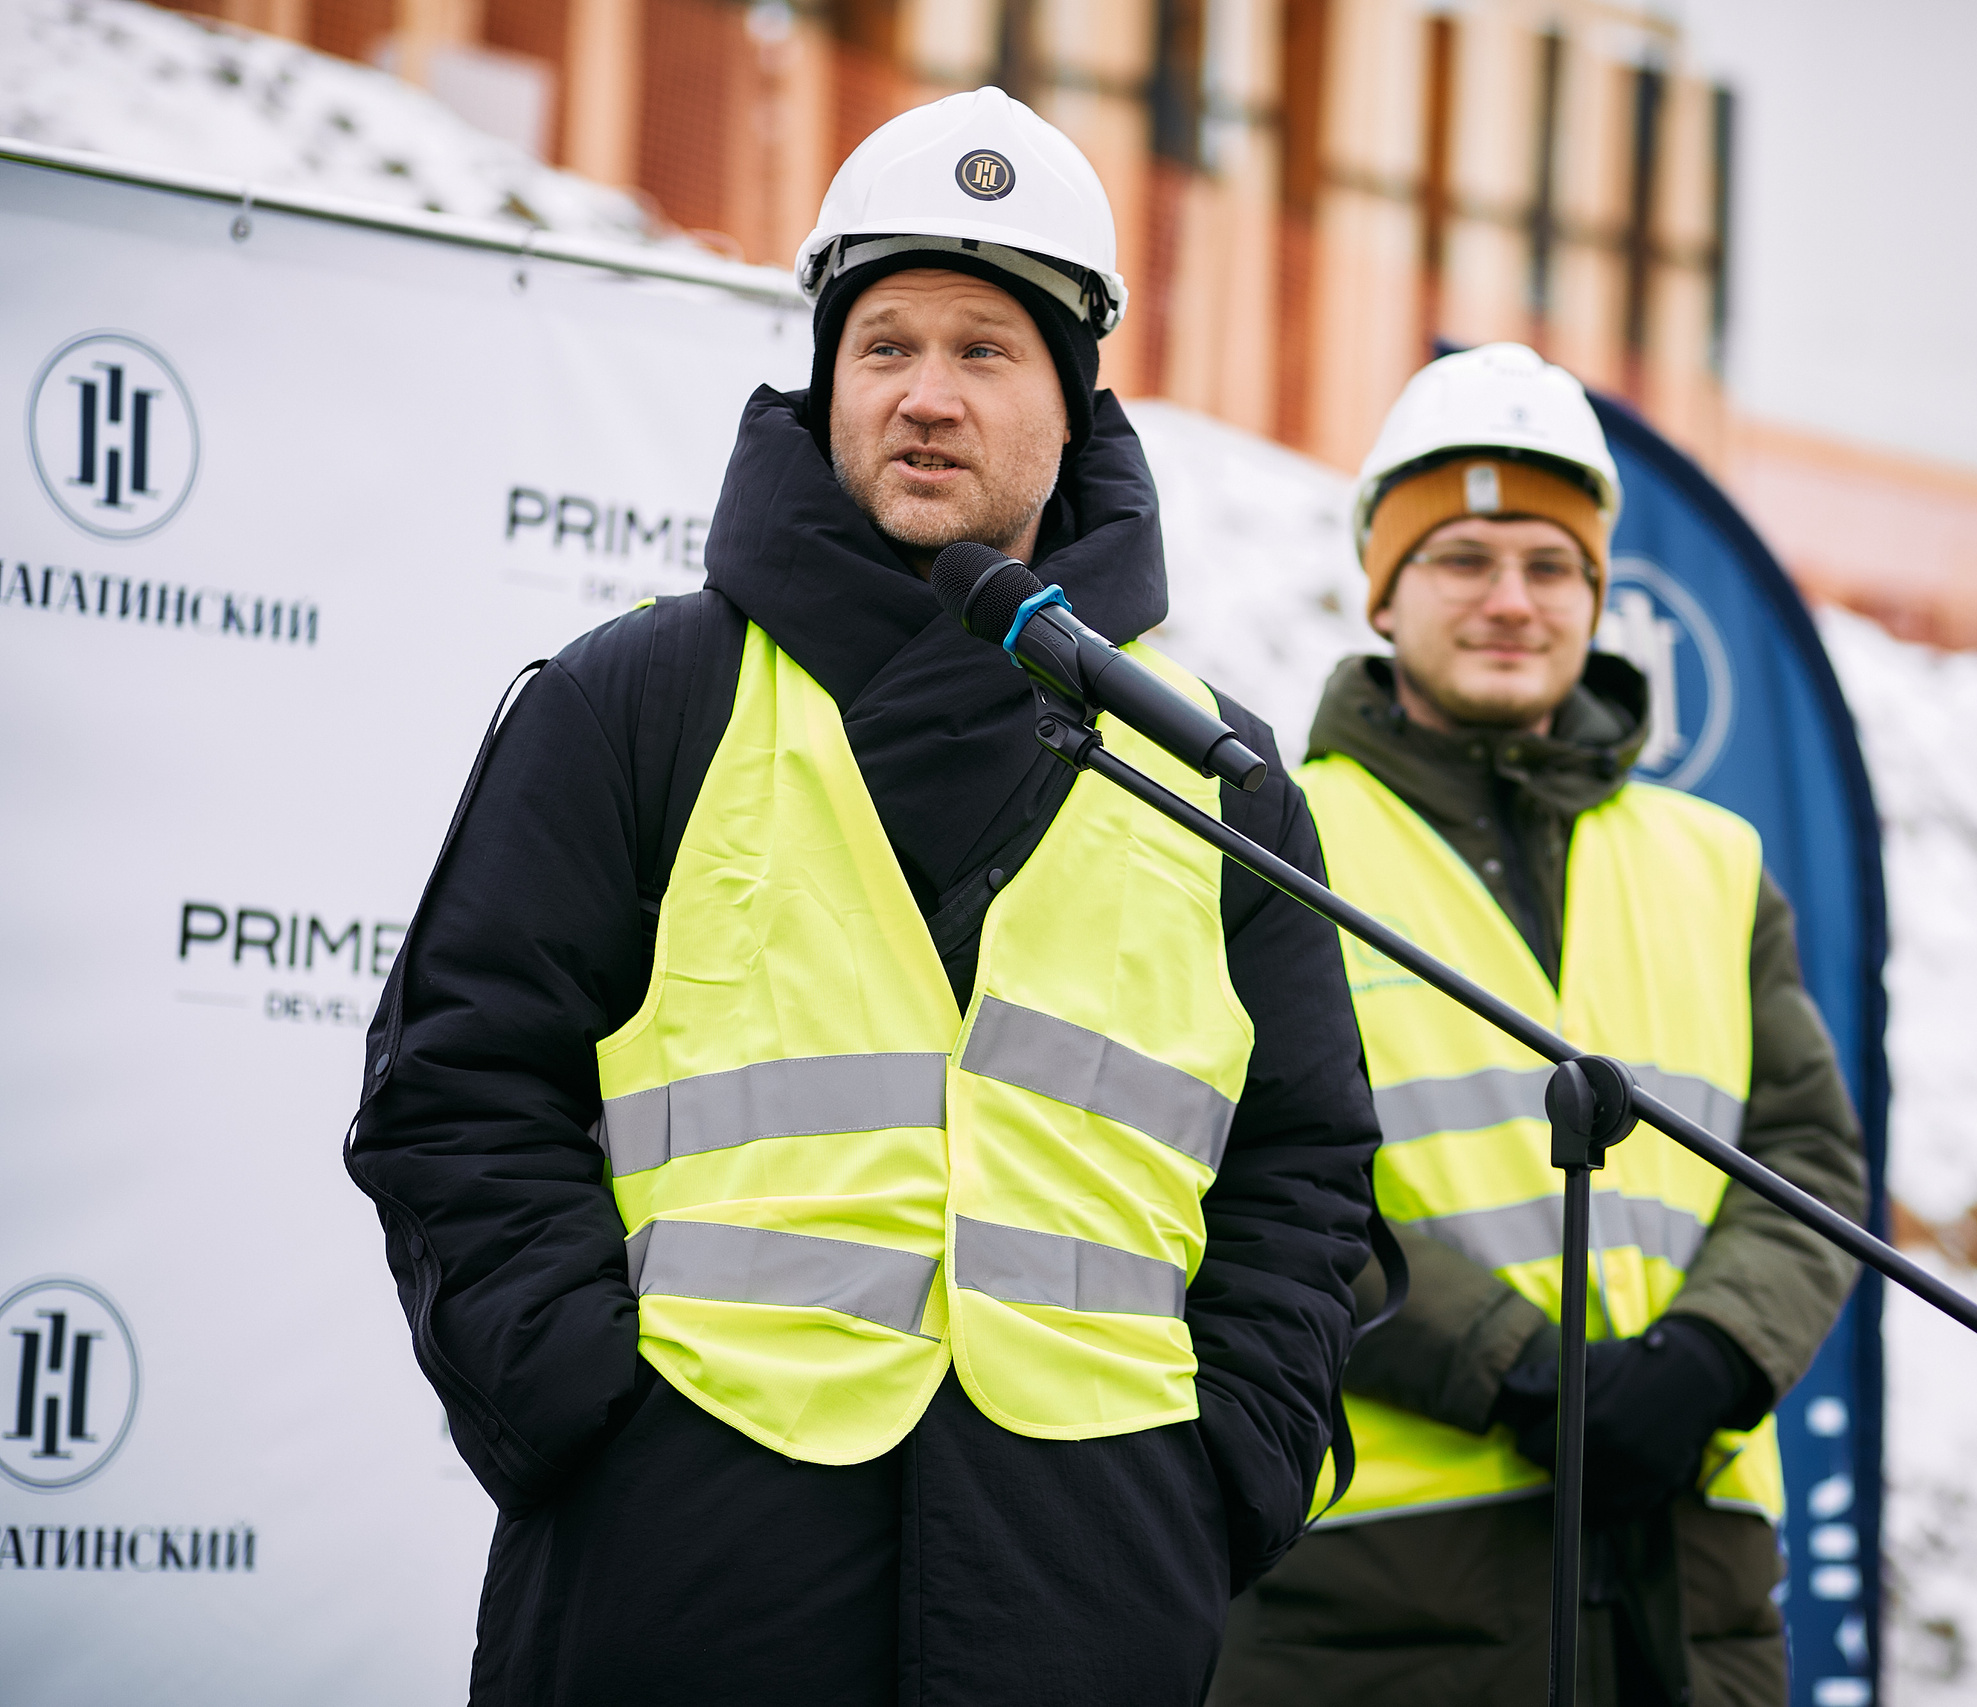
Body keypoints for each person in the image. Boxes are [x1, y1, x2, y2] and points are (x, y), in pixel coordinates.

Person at [345, 88, 1380, 1706]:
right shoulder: (638, 701)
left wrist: (1220, 1479)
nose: (925, 395)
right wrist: (583, 1418)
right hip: (687, 1557)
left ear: (1072, 403)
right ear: (829, 378)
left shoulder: (1211, 771)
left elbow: (1305, 1171)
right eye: (884, 345)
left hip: (1088, 1579)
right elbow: (459, 1083)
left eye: (986, 351)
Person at [1209, 343, 1868, 1706]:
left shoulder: (1717, 862)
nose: (1512, 600)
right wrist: (1518, 1373)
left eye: (1552, 566)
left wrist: (1707, 1360)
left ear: (1597, 597)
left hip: (1693, 1596)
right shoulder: (1274, 843)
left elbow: (1809, 1163)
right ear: (1384, 589)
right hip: (1378, 1597)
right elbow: (1231, 1167)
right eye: (1462, 558)